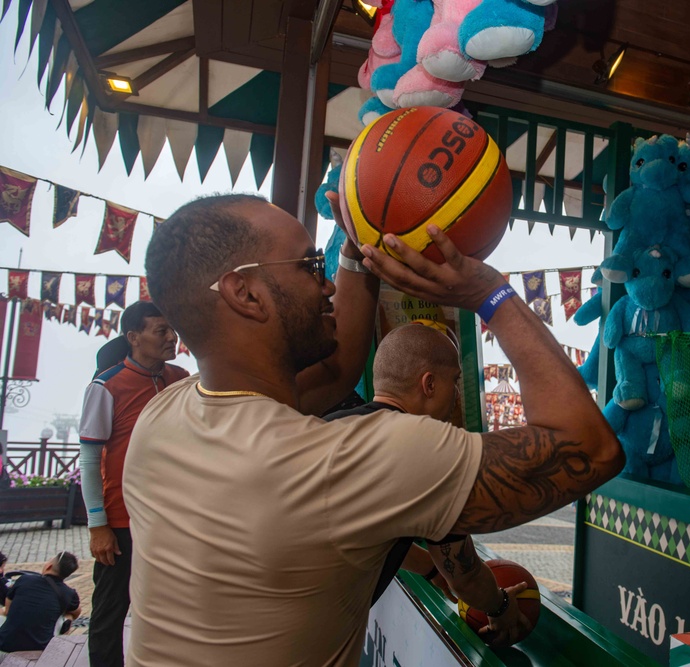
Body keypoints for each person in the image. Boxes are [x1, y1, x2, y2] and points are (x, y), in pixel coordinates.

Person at [124, 193, 623, 666]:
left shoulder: (162, 416)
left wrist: (357, 251)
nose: (325, 285)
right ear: (245, 293)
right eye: (309, 265)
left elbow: (339, 368)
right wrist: (487, 293)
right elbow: (591, 448)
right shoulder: (342, 464)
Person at [326, 323, 532, 644]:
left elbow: (367, 533)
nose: (457, 394)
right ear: (430, 384)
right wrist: (500, 606)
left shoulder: (327, 426)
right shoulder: (430, 454)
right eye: (455, 381)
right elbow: (464, 577)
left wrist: (431, 567)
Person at [78, 301, 190, 667]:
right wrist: (98, 525)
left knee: (168, 607)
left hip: (168, 520)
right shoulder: (106, 385)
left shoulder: (179, 379)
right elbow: (91, 460)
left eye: (172, 329)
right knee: (111, 610)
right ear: (134, 337)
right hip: (121, 520)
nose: (172, 337)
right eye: (161, 331)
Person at [0, 552, 81, 653]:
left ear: (49, 566)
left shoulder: (24, 579)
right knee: (68, 614)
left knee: (2, 611)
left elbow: (8, 610)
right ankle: (60, 643)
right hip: (39, 649)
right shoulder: (69, 593)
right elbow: (77, 612)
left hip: (5, 645)